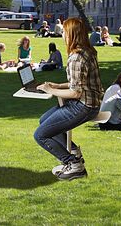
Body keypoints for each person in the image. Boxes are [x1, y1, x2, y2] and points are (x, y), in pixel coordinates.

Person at [34, 17, 104, 181]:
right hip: (91, 102)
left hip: (83, 106)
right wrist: (58, 86)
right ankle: (74, 152)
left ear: (72, 34)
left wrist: (50, 90)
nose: (63, 35)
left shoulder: (76, 57)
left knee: (40, 135)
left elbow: (76, 92)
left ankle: (73, 165)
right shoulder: (88, 52)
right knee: (44, 120)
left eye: (65, 32)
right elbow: (78, 82)